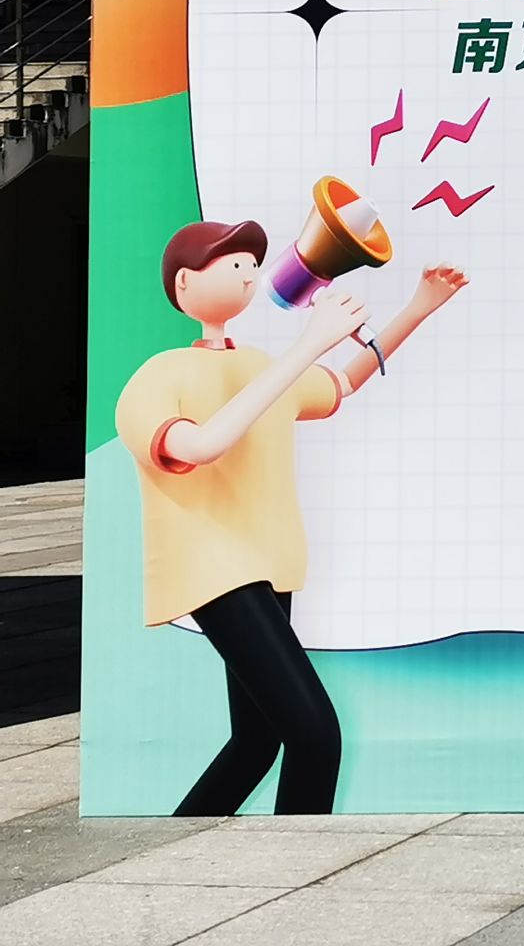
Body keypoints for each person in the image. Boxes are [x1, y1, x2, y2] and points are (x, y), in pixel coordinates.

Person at [114, 218, 467, 815]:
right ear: (184, 283)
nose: (247, 277)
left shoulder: (259, 365)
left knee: (256, 741)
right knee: (314, 733)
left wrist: (417, 307)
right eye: (231, 265)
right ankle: (297, 861)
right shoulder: (156, 378)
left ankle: (170, 848)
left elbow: (341, 384)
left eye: (252, 268)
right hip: (212, 566)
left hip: (269, 563)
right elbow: (201, 446)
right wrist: (308, 345)